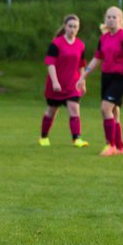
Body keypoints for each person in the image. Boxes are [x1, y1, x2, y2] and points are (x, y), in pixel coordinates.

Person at [78, 6, 123, 156]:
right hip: (107, 77)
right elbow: (97, 59)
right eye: (108, 17)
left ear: (120, 20)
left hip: (120, 78)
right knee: (114, 112)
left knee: (105, 109)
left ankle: (109, 145)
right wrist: (82, 77)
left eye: (114, 17)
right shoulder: (103, 38)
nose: (110, 19)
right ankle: (119, 147)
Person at [39, 14, 90, 147]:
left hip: (72, 84)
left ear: (78, 28)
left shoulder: (80, 45)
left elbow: (82, 65)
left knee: (74, 108)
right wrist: (55, 81)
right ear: (65, 26)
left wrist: (82, 81)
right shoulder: (56, 44)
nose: (72, 29)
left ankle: (77, 139)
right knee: (51, 111)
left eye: (75, 27)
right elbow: (50, 64)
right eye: (70, 26)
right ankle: (43, 137)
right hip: (56, 85)